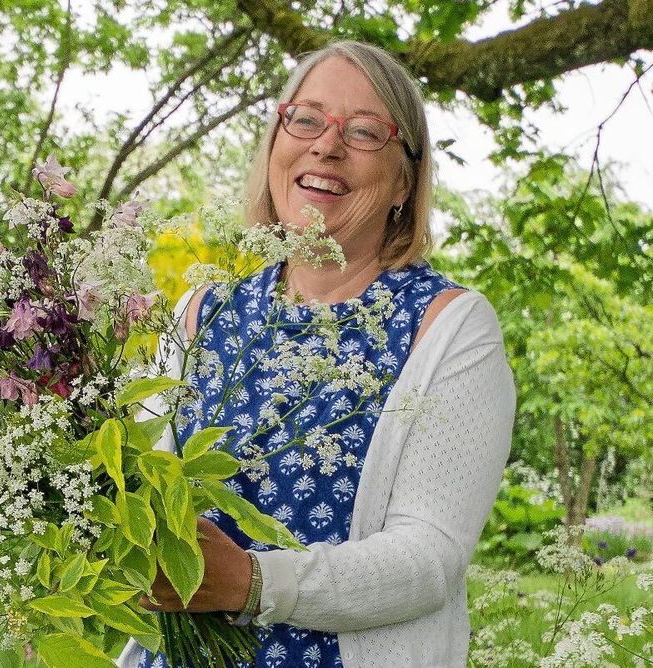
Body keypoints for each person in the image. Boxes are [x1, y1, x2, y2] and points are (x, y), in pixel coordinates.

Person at [118, 40, 516, 667]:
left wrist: (253, 583)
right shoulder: (202, 311)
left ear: (405, 182)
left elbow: (429, 558)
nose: (326, 146)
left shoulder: (446, 327)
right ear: (275, 145)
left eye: (364, 132)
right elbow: (133, 497)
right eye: (306, 119)